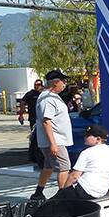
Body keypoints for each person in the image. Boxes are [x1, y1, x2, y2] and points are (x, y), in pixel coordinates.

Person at [31, 70, 74, 201]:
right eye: (63, 81)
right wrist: (53, 143)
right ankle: (63, 196)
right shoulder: (47, 99)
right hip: (55, 140)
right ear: (55, 82)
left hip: (55, 140)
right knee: (64, 167)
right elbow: (46, 121)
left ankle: (38, 192)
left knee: (48, 166)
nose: (65, 84)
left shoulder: (52, 96)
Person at [52, 125, 109, 200]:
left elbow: (74, 176)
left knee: (52, 203)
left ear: (98, 139)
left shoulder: (87, 153)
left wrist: (64, 192)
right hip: (102, 192)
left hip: (83, 191)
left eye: (88, 136)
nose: (85, 137)